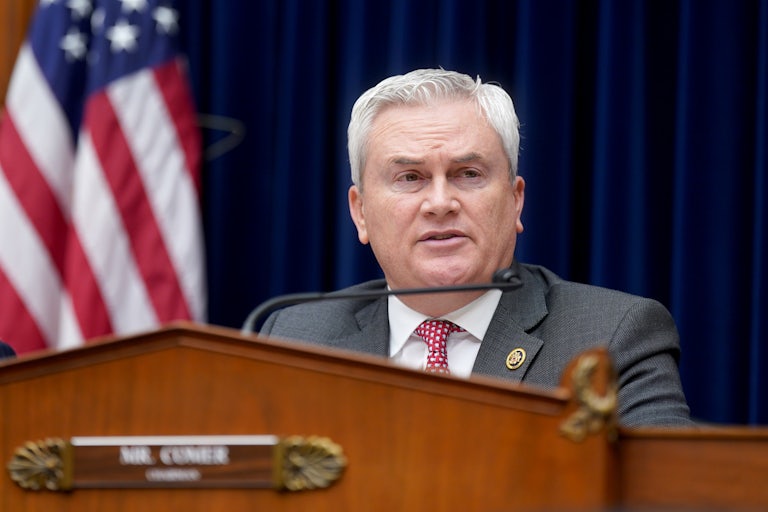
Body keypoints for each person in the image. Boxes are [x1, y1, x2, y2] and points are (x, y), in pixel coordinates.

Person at [260, 68, 692, 427]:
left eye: (468, 174)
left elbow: (670, 493)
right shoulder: (294, 343)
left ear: (515, 200)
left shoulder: (612, 338)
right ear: (361, 213)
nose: (441, 203)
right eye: (410, 178)